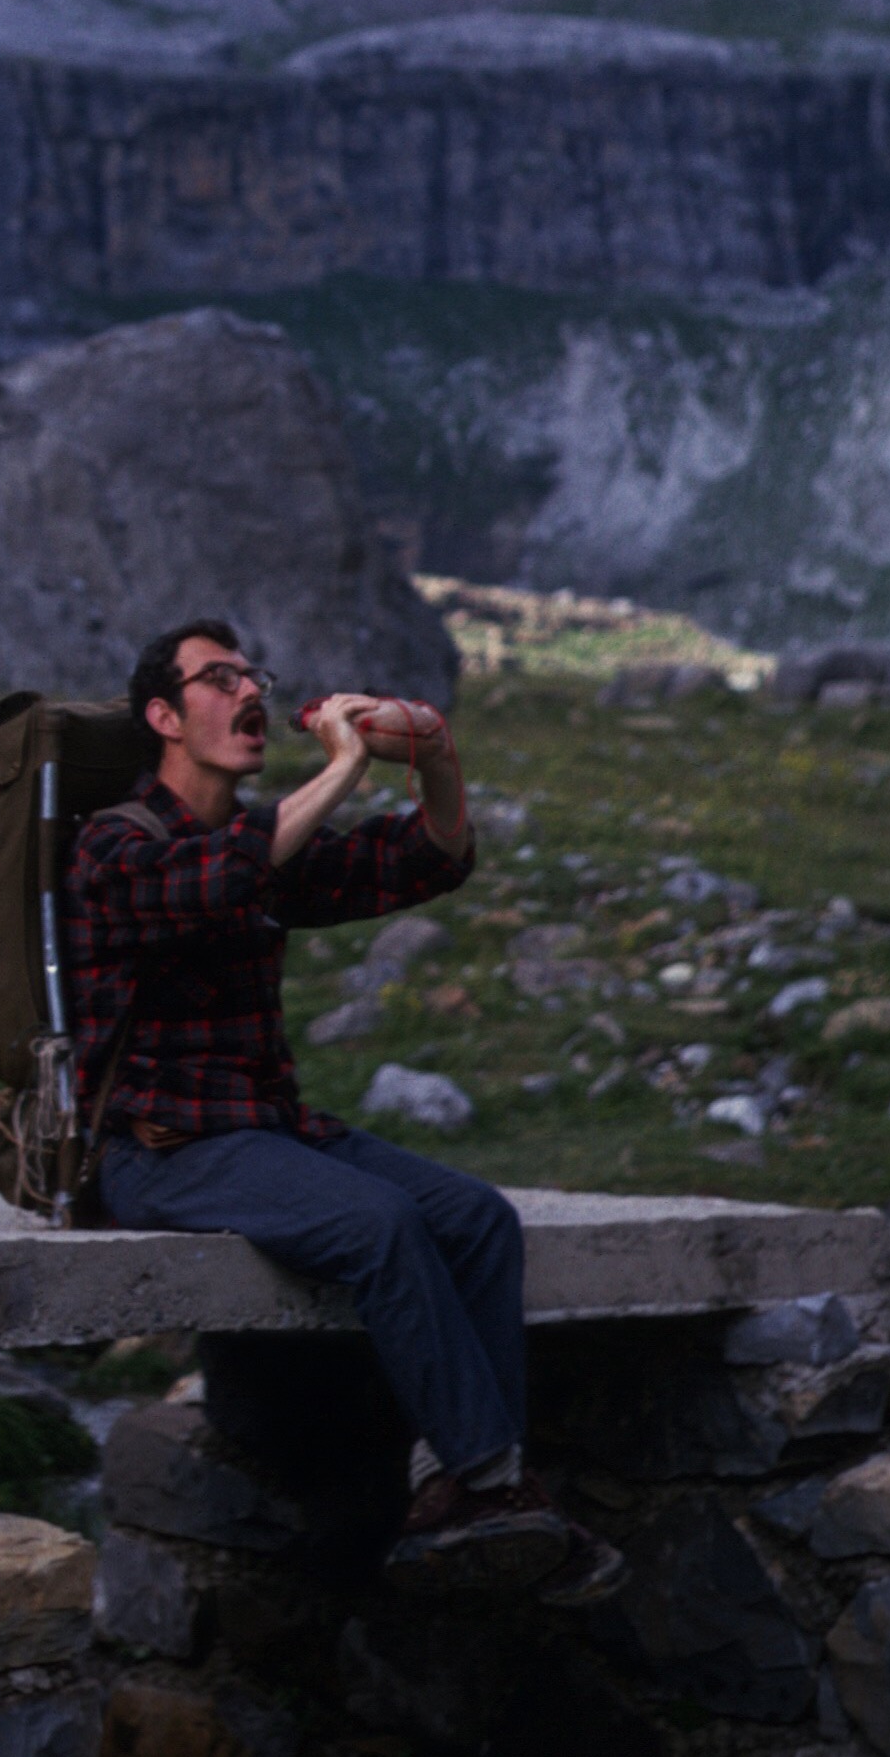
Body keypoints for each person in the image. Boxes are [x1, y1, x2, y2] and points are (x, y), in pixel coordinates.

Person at [64, 615, 623, 1583]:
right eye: (217, 676)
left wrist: (435, 756)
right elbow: (220, 875)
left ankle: (456, 1484)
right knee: (379, 1224)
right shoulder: (117, 845)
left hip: (261, 1133)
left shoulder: (249, 841)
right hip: (155, 1149)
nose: (249, 690)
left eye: (253, 673)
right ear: (160, 712)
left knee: (477, 1219)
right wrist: (347, 761)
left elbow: (422, 858)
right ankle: (492, 1484)